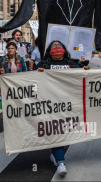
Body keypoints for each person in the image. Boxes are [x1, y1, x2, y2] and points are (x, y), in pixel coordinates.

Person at [36, 40, 89, 177]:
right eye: (54, 45)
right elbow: (34, 81)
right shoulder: (43, 64)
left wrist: (84, 68)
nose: (57, 47)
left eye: (59, 45)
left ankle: (55, 155)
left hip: (68, 103)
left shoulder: (71, 64)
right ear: (49, 50)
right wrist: (37, 73)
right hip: (50, 103)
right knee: (56, 129)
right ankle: (61, 162)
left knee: (62, 131)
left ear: (64, 49)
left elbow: (79, 78)